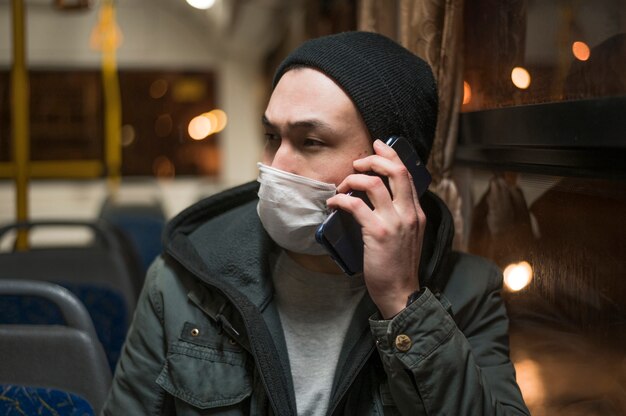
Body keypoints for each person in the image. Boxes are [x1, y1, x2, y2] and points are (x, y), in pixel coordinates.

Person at [102, 31, 529, 415]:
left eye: (311, 141)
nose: (275, 166)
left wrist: (403, 304)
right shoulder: (181, 284)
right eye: (272, 137)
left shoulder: (469, 290)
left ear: (391, 167)